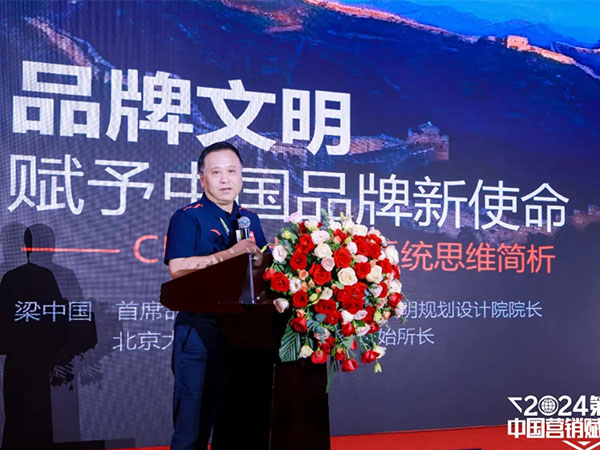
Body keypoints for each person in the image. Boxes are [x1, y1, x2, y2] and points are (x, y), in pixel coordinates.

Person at [164, 141, 267, 450]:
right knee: (192, 431)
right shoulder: (188, 217)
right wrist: (230, 254)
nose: (225, 179)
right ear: (202, 178)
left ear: (242, 177)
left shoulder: (249, 219)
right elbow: (177, 269)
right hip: (200, 332)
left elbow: (261, 272)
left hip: (244, 336)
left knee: (236, 428)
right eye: (216, 172)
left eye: (232, 172)